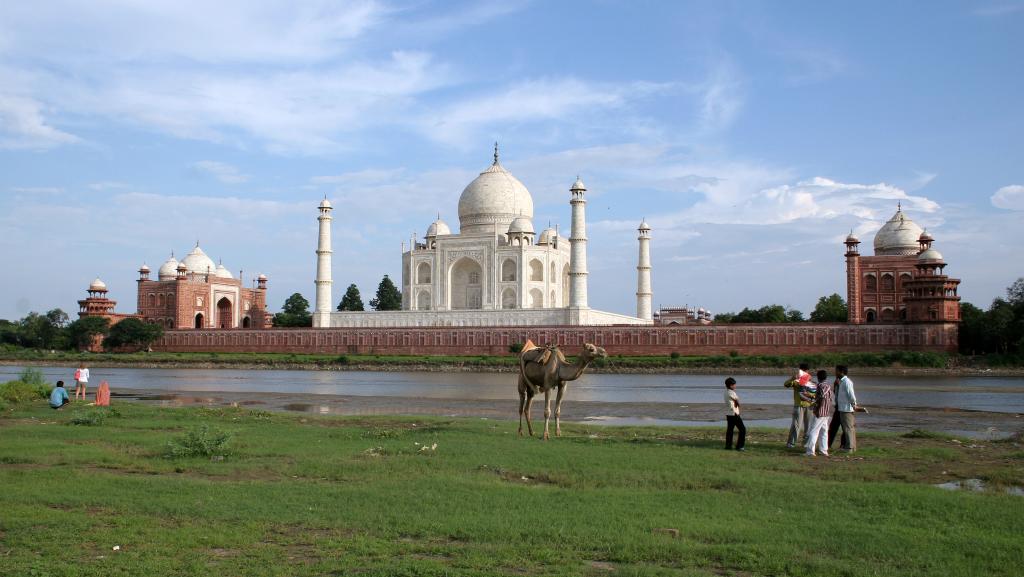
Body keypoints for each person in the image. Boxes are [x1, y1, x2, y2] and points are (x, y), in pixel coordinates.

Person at [805, 370, 834, 456]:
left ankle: (810, 452)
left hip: (820, 412)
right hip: (826, 412)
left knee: (813, 431)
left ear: (818, 377)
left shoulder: (820, 386)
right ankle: (823, 450)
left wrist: (817, 410)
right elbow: (828, 398)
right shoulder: (828, 385)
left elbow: (821, 398)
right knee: (824, 432)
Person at [785, 363, 814, 448]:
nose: (803, 372)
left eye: (805, 371)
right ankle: (791, 443)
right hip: (799, 405)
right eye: (802, 371)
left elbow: (814, 393)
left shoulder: (810, 380)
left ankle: (805, 444)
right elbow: (786, 384)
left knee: (808, 426)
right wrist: (793, 378)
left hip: (809, 406)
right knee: (796, 425)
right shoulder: (796, 380)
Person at [834, 365, 858, 452]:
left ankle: (849, 448)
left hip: (847, 409)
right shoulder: (841, 382)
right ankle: (851, 447)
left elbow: (851, 395)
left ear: (841, 372)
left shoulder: (847, 382)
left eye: (836, 371)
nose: (835, 372)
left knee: (848, 428)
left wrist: (854, 405)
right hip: (843, 408)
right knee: (848, 428)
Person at [724, 377, 746, 451]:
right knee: (743, 429)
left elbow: (736, 400)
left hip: (728, 413)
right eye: (734, 384)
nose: (735, 386)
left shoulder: (726, 392)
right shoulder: (731, 392)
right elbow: (736, 400)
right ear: (730, 385)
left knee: (730, 430)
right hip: (734, 413)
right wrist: (738, 406)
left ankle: (728, 446)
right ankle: (740, 446)